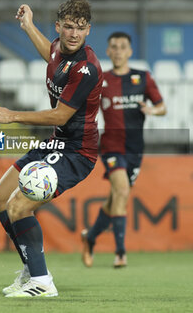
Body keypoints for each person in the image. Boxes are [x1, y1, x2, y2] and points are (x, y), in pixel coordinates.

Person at [0, 0, 103, 297]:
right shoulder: (59, 49)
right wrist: (27, 26)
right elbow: (50, 54)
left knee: (19, 205)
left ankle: (42, 281)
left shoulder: (86, 69)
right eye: (68, 27)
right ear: (59, 27)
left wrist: (12, 115)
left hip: (78, 152)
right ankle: (30, 266)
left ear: (88, 30)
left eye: (80, 28)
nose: (74, 34)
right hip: (57, 142)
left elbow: (60, 115)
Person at [81, 31, 166, 268]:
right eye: (114, 47)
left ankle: (90, 238)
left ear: (130, 51)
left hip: (135, 149)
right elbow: (86, 112)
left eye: (122, 47)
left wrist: (152, 110)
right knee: (121, 190)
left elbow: (162, 107)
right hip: (111, 148)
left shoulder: (143, 78)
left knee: (116, 198)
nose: (118, 51)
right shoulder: (101, 81)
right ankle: (120, 253)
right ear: (108, 51)